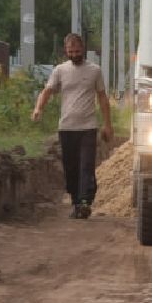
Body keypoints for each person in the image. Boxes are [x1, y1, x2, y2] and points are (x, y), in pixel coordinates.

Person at [31, 33, 114, 218]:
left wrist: (107, 124)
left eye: (77, 51)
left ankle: (85, 201)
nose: (74, 54)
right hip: (67, 127)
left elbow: (102, 97)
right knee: (71, 167)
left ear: (83, 49)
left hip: (88, 127)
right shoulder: (60, 70)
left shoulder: (94, 70)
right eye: (70, 51)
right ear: (66, 51)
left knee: (86, 165)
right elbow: (47, 91)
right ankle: (77, 202)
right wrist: (38, 109)